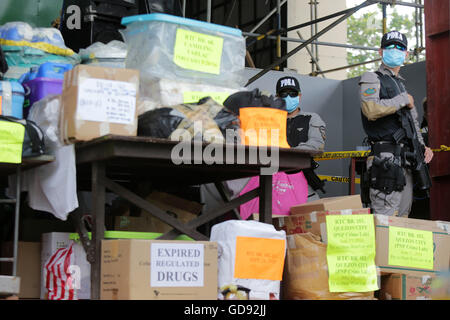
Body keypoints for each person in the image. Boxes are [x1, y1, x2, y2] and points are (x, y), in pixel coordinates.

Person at [359, 30, 433, 217]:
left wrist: (424, 147)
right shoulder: (371, 78)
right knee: (386, 218)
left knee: (403, 218)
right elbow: (370, 110)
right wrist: (401, 100)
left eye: (400, 48)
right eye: (390, 47)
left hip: (405, 159)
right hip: (385, 160)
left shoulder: (400, 84)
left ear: (406, 54)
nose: (395, 50)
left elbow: (412, 123)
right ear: (380, 51)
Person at [276, 76, 327, 201]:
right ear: (277, 97)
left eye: (292, 93)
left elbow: (316, 144)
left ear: (299, 96)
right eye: (284, 94)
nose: (288, 97)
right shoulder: (269, 120)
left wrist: (287, 154)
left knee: (311, 216)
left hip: (302, 178)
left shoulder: (311, 118)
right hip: (274, 180)